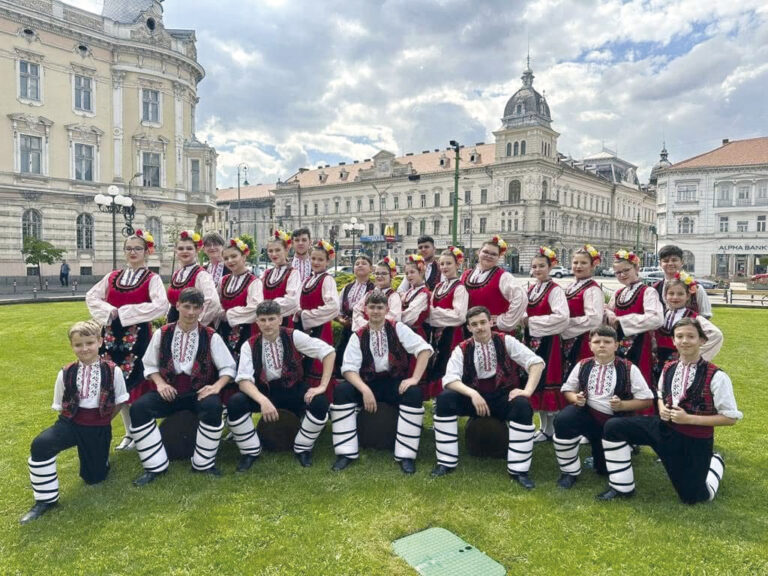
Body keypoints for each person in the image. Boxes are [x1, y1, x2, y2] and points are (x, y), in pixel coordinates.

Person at [598, 318, 742, 503]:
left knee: (694, 497)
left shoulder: (717, 376)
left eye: (691, 336)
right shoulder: (669, 367)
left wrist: (688, 419)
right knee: (613, 426)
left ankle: (716, 461)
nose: (684, 341)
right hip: (663, 428)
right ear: (673, 341)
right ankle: (621, 486)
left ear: (702, 341)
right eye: (679, 336)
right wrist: (662, 407)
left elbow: (730, 418)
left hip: (693, 438)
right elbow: (660, 393)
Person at [20, 320, 129, 524]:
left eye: (89, 342)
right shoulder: (65, 372)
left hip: (98, 427)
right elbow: (60, 404)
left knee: (94, 478)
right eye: (78, 344)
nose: (84, 348)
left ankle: (101, 459)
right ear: (72, 346)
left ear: (100, 342)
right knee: (40, 445)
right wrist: (71, 421)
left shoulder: (113, 371)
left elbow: (121, 401)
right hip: (70, 423)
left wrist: (103, 421)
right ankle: (45, 500)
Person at [130, 288, 236, 486]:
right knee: (139, 408)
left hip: (199, 392)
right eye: (186, 306)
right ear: (177, 306)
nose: (191, 312)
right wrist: (160, 384)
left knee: (213, 406)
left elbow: (229, 367)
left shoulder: (211, 335)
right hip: (169, 390)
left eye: (196, 308)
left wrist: (216, 387)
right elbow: (149, 364)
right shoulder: (162, 333)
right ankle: (155, 465)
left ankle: (203, 464)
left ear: (202, 309)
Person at [430, 306, 545, 489]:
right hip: (473, 397)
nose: (480, 327)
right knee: (445, 399)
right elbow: (450, 379)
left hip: (501, 395)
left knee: (522, 405)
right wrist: (472, 393)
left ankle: (519, 470)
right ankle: (446, 461)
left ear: (491, 322)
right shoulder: (462, 348)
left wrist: (527, 391)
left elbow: (536, 363)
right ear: (468, 327)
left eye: (483, 322)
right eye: (474, 324)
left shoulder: (506, 340)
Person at [225, 300, 336, 470]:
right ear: (257, 322)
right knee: (235, 402)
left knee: (320, 401)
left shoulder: (293, 335)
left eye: (271, 319)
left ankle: (303, 447)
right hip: (265, 391)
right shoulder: (250, 344)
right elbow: (244, 380)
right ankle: (250, 451)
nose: (267, 324)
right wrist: (262, 401)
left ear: (280, 319)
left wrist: (322, 386)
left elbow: (328, 352)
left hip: (293, 388)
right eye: (263, 320)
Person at [331, 291, 433, 474]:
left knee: (414, 393)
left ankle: (406, 455)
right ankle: (345, 452)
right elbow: (348, 369)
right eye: (372, 307)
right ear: (365, 310)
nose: (376, 311)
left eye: (380, 308)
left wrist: (415, 378)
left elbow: (424, 349)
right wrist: (364, 390)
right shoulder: (358, 335)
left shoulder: (397, 327)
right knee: (342, 391)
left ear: (386, 309)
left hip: (394, 382)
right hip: (368, 382)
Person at [85, 230, 169, 451]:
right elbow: (92, 296)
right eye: (129, 248)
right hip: (111, 337)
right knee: (115, 382)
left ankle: (140, 433)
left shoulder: (152, 278)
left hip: (138, 337)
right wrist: (110, 310)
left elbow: (161, 305)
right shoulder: (112, 277)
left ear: (146, 252)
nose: (133, 252)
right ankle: (129, 432)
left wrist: (127, 313)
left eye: (137, 249)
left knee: (136, 385)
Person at [552, 325, 654, 489]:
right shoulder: (583, 365)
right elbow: (567, 389)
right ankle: (569, 471)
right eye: (597, 341)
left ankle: (624, 446)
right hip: (588, 417)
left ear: (616, 345)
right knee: (563, 419)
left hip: (614, 423)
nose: (601, 345)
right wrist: (575, 398)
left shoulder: (629, 368)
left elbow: (647, 400)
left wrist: (623, 405)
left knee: (603, 469)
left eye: (607, 342)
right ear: (590, 345)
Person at [605, 250, 663, 409]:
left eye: (626, 270)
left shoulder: (647, 291)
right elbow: (609, 311)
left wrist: (622, 321)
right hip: (617, 346)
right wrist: (609, 313)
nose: (622, 275)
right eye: (618, 272)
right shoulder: (618, 293)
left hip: (640, 345)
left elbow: (656, 318)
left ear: (637, 268)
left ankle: (641, 417)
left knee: (639, 379)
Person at [524, 247, 570, 442]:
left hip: (548, 341)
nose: (537, 270)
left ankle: (553, 429)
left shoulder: (555, 290)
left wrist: (532, 322)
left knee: (548, 381)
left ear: (550, 266)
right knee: (537, 382)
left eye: (541, 266)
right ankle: (544, 428)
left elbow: (562, 317)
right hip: (532, 340)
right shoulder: (532, 288)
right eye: (534, 266)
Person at [654, 272, 722, 380]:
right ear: (665, 296)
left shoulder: (692, 317)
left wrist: (694, 354)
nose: (675, 297)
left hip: (681, 365)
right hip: (658, 365)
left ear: (688, 296)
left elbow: (716, 335)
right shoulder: (661, 315)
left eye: (680, 294)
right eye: (671, 293)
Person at [295, 240, 339, 398]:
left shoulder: (327, 280)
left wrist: (306, 316)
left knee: (319, 363)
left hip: (321, 329)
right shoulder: (307, 279)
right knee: (305, 361)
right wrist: (298, 312)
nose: (316, 262)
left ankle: (323, 399)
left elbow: (333, 307)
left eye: (320, 259)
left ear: (328, 261)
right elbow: (297, 301)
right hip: (305, 329)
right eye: (313, 259)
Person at [460, 236, 526, 335]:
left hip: (494, 333)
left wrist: (503, 320)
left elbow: (521, 298)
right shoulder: (466, 275)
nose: (489, 256)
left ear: (498, 257)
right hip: (470, 331)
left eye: (494, 254)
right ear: (479, 252)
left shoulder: (503, 277)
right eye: (485, 252)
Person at [427, 246, 468, 399]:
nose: (444, 267)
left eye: (449, 263)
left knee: (449, 365)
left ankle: (449, 402)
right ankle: (439, 402)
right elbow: (428, 315)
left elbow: (459, 316)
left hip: (453, 335)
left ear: (458, 265)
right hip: (436, 334)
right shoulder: (438, 287)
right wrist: (435, 316)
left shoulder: (460, 288)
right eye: (442, 264)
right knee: (437, 364)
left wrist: (435, 314)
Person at [217, 237, 263, 363]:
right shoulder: (224, 280)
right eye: (226, 258)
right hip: (224, 329)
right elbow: (217, 302)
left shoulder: (254, 282)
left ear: (244, 257)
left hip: (246, 331)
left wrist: (229, 314)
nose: (230, 261)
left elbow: (255, 308)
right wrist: (220, 313)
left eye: (234, 256)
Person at [562, 245, 605, 375]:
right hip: (568, 339)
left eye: (583, 263)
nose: (578, 266)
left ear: (593, 265)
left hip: (583, 341)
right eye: (575, 262)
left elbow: (594, 319)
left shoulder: (592, 289)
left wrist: (564, 325)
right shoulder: (571, 286)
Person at [167, 230, 221, 326]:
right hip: (174, 325)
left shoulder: (201, 275)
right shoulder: (176, 274)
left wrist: (196, 324)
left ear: (196, 250)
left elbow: (213, 302)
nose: (185, 251)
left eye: (189, 248)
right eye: (180, 248)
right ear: (176, 251)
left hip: (192, 326)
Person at [336, 255, 374, 376]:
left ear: (371, 269)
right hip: (346, 329)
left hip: (365, 330)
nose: (360, 265)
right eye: (357, 263)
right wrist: (341, 320)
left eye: (364, 263)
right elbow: (337, 309)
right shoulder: (347, 288)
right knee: (342, 354)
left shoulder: (374, 289)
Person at [654, 245, 712, 318]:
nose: (670, 263)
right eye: (666, 261)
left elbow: (705, 315)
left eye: (674, 260)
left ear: (682, 262)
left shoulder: (696, 288)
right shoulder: (655, 289)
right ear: (660, 264)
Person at [261, 229, 300, 327]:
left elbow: (292, 301)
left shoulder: (293, 273)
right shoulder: (266, 273)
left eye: (278, 250)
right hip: (264, 323)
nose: (274, 254)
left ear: (286, 249)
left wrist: (267, 307)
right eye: (270, 251)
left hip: (283, 323)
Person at [351, 257, 402, 331]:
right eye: (377, 273)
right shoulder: (369, 294)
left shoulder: (393, 296)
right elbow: (357, 310)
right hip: (365, 333)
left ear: (391, 276)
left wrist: (374, 326)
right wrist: (365, 325)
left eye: (384, 273)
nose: (379, 276)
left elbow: (394, 317)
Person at [401, 254, 432, 342]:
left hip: (416, 335)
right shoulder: (409, 291)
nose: (409, 275)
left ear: (421, 272)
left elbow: (409, 317)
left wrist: (394, 318)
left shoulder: (424, 294)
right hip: (405, 332)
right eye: (407, 273)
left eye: (412, 272)